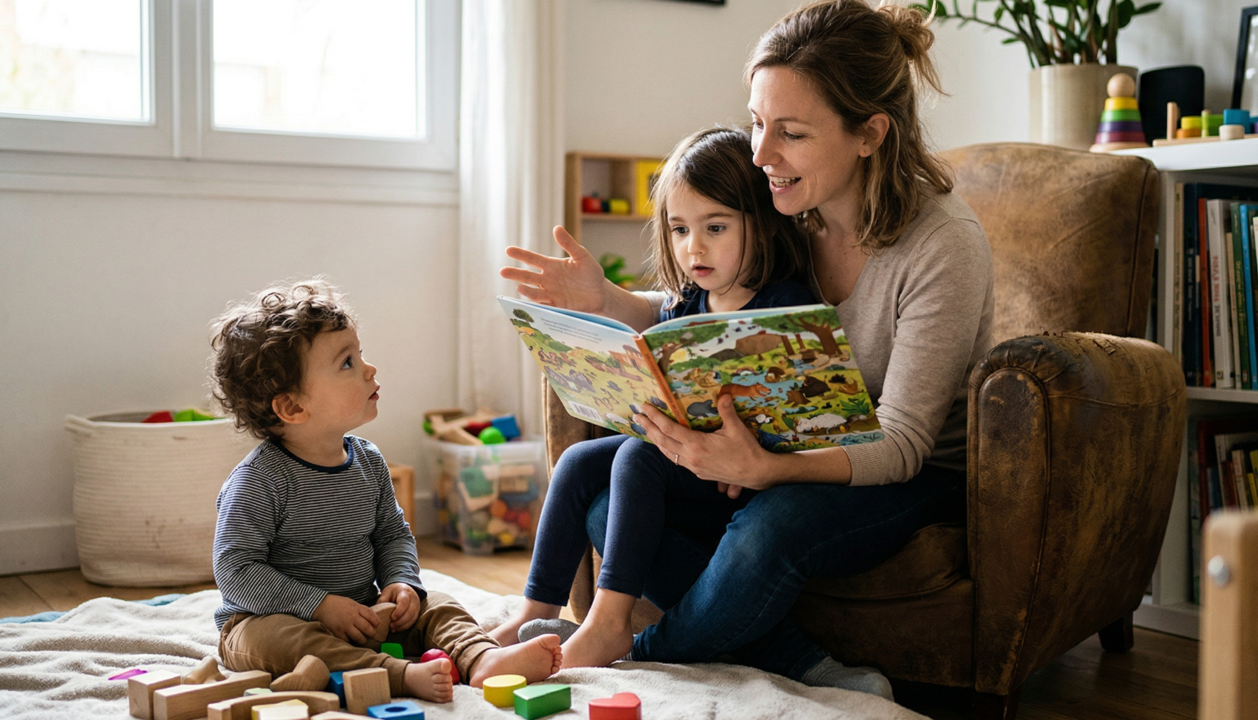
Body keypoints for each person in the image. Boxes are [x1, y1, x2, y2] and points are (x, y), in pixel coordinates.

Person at [498, 0, 994, 701]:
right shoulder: (788, 207)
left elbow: (905, 442)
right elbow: (698, 316)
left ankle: (631, 651)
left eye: (789, 132)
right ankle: (797, 660)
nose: (760, 155)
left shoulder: (942, 246)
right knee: (611, 496)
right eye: (758, 123)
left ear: (869, 134)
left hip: (895, 475)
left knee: (769, 529)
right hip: (762, 443)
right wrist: (606, 300)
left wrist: (766, 468)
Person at [489, 127, 820, 667]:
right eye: (680, 229)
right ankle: (535, 609)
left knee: (639, 455)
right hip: (687, 466)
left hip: (742, 485)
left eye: (716, 227)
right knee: (578, 461)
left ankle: (608, 623)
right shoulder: (687, 303)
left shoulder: (785, 305)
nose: (695, 247)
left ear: (760, 223)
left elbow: (799, 412)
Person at [209, 278, 562, 702]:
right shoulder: (260, 480)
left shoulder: (369, 460)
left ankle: (480, 658)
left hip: (366, 615)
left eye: (359, 355)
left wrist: (401, 583)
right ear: (293, 407)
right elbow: (236, 572)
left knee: (439, 602)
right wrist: (320, 606)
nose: (369, 369)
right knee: (276, 641)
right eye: (347, 363)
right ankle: (392, 675)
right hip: (271, 621)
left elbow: (392, 535)